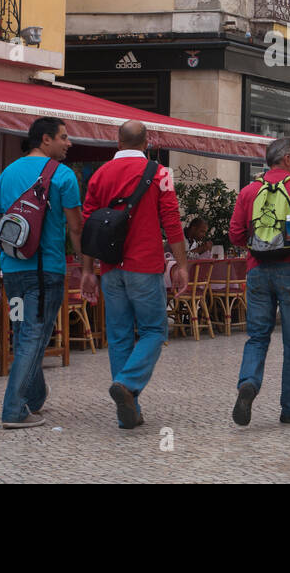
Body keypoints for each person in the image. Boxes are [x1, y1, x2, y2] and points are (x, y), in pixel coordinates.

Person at [80, 121, 187, 430]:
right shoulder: (160, 174)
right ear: (147, 142)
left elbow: (89, 226)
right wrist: (181, 265)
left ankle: (127, 411)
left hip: (111, 268)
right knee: (155, 331)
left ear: (117, 142)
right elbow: (172, 222)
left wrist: (88, 271)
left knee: (119, 336)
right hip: (145, 265)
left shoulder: (99, 175)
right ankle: (127, 384)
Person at [0, 117, 82, 430]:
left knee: (23, 335)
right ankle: (13, 410)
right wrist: (85, 262)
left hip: (11, 272)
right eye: (63, 137)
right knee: (33, 338)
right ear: (45, 140)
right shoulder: (63, 176)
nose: (69, 143)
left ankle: (35, 397)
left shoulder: (7, 173)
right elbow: (76, 226)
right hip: (46, 272)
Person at [229, 137, 290, 426]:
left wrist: (256, 244)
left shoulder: (249, 191)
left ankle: (248, 383)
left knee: (257, 337)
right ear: (285, 159)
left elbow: (234, 233)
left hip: (257, 270)